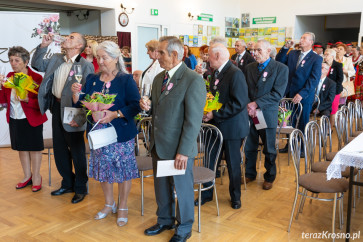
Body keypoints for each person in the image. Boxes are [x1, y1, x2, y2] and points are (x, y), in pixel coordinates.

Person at [140, 36, 205, 241]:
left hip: (179, 148)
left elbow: (193, 121)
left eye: (161, 53)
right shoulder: (160, 77)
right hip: (159, 143)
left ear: (175, 55)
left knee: (182, 189)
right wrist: (147, 104)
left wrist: (184, 152)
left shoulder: (193, 80)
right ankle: (164, 219)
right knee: (161, 186)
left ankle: (184, 228)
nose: (156, 56)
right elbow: (158, 109)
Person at [71, 41, 141, 226]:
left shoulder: (125, 80)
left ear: (116, 58)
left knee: (122, 171)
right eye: (98, 57)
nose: (100, 61)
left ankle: (123, 206)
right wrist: (76, 95)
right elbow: (82, 104)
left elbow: (136, 105)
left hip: (120, 133)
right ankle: (109, 203)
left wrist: (116, 114)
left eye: (104, 58)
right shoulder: (92, 79)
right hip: (99, 134)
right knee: (104, 170)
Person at [31, 32, 94, 204]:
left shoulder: (86, 65)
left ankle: (81, 187)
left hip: (74, 110)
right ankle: (68, 183)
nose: (67, 38)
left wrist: (81, 118)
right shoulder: (57, 58)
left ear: (79, 46)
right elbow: (36, 64)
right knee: (59, 149)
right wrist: (43, 46)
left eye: (72, 37)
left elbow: (88, 95)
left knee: (77, 150)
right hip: (56, 107)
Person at [199, 41, 249, 209]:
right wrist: (208, 113)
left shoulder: (235, 73)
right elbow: (214, 97)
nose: (207, 60)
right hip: (215, 126)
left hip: (232, 128)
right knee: (209, 161)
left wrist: (216, 114)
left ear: (218, 56)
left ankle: (235, 197)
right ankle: (206, 193)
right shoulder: (215, 73)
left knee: (233, 164)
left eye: (210, 56)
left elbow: (239, 103)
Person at [0, 46, 47, 192]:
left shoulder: (37, 78)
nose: (13, 63)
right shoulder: (9, 76)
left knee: (34, 148)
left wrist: (27, 100)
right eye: (11, 60)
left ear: (26, 61)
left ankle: (37, 177)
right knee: (21, 148)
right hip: (14, 118)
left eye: (17, 60)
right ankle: (27, 176)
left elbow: (42, 103)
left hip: (32, 119)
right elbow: (3, 100)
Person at [244, 40, 288, 190]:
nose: (254, 53)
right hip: (251, 113)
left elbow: (277, 93)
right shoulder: (249, 68)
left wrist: (256, 104)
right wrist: (249, 105)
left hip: (266, 113)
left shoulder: (281, 68)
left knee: (269, 148)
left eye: (258, 50)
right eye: (253, 50)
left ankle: (269, 176)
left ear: (269, 51)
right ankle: (250, 173)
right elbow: (244, 89)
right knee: (250, 145)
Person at [276, 32, 322, 155]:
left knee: (302, 121)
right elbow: (279, 61)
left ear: (311, 42)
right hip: (290, 93)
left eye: (304, 38)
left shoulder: (316, 58)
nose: (301, 40)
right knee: (289, 121)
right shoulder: (292, 53)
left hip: (304, 96)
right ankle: (289, 144)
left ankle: (301, 147)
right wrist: (286, 47)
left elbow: (314, 79)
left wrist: (302, 94)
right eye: (300, 37)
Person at [323, 49, 343, 127]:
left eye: (327, 54)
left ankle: (330, 128)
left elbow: (340, 79)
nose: (325, 56)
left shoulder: (337, 65)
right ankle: (323, 126)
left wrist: (334, 91)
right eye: (324, 54)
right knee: (324, 109)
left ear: (332, 56)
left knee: (333, 110)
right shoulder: (323, 65)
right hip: (324, 90)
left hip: (335, 91)